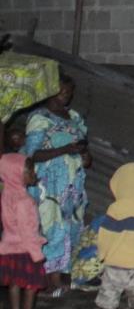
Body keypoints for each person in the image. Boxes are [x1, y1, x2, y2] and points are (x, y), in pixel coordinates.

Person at [22, 74, 90, 297]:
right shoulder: (39, 117)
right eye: (62, 91)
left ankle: (63, 273)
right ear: (49, 91)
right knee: (52, 228)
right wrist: (64, 151)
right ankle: (49, 279)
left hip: (73, 185)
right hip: (49, 186)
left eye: (69, 92)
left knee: (71, 227)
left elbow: (82, 147)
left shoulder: (73, 117)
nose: (67, 96)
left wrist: (85, 157)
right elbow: (31, 155)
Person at [96, 163, 134, 309]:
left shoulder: (116, 208)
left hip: (117, 263)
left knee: (108, 298)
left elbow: (106, 236)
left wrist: (101, 255)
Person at [0, 155, 46, 309]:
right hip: (26, 250)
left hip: (9, 248)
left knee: (14, 283)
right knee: (30, 286)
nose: (34, 174)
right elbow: (27, 232)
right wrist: (36, 254)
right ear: (16, 175)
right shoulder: (24, 201)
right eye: (29, 172)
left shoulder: (6, 195)